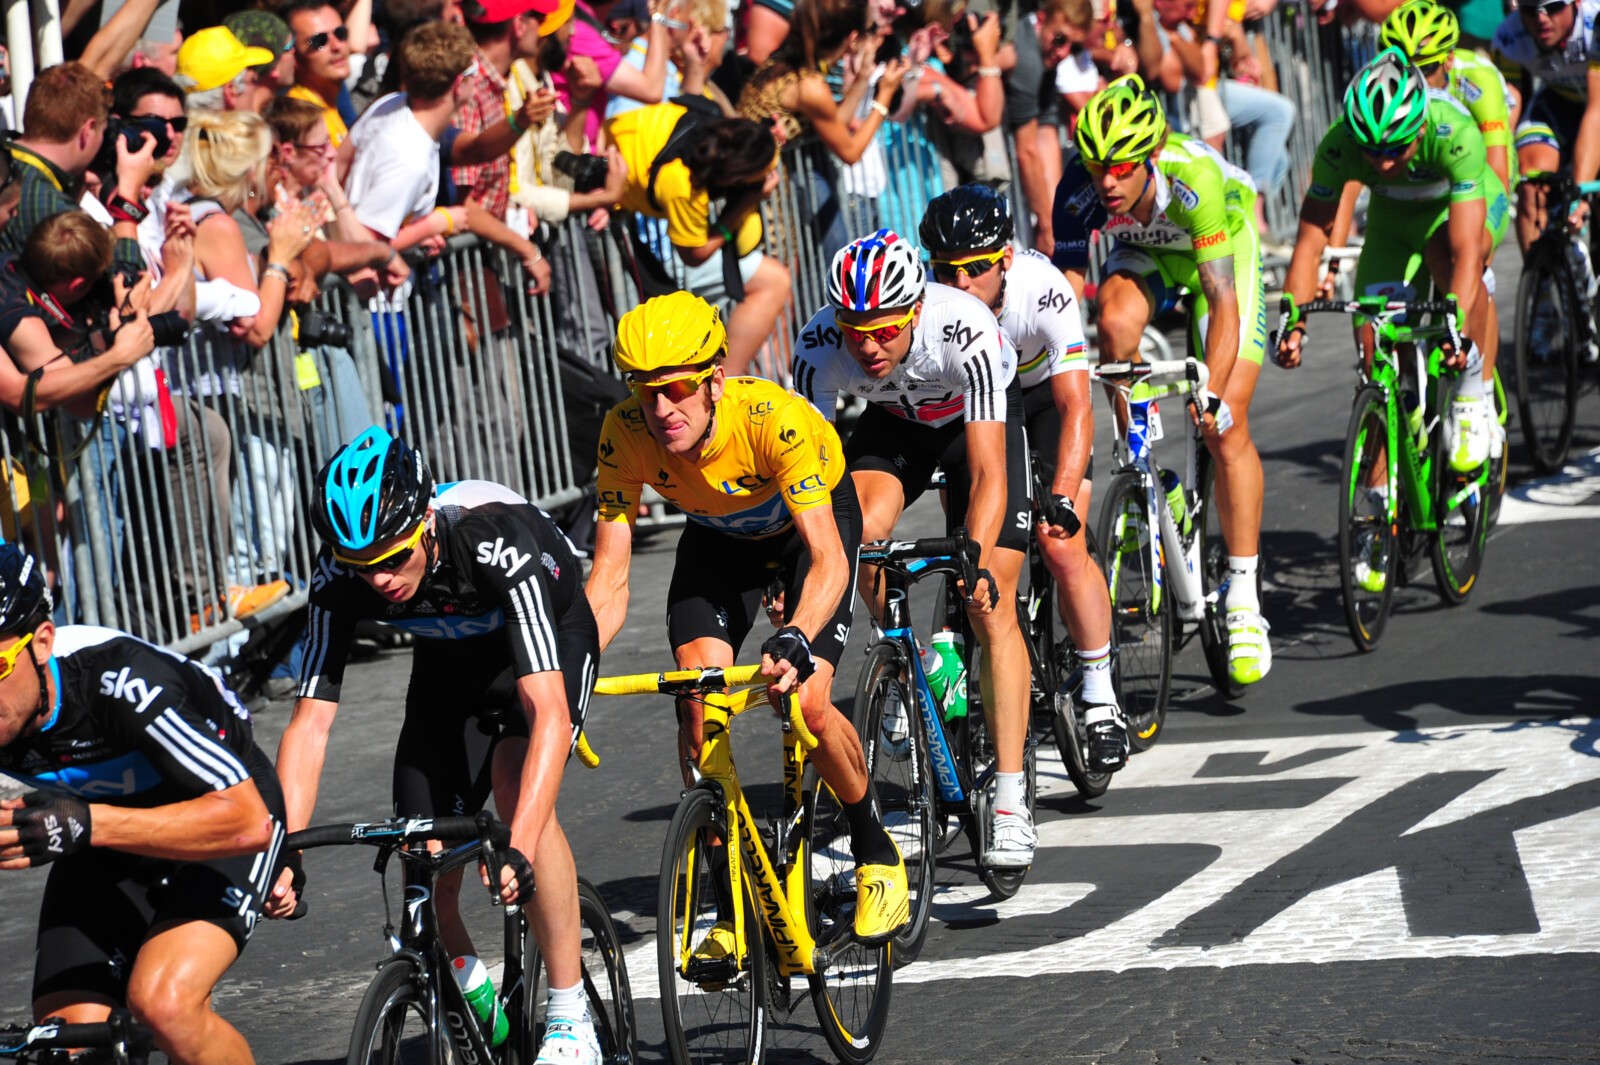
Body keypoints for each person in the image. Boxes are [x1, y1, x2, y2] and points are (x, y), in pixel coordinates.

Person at [268, 427, 605, 1065]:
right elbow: (308, 725)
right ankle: (481, 1009)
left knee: (513, 782)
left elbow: (549, 713)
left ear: (425, 522)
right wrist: (285, 849)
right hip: (448, 664)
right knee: (421, 856)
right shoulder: (339, 572)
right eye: (362, 565)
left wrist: (519, 845)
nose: (380, 579)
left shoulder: (491, 540)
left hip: (548, 637)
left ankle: (569, 1012)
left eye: (394, 558)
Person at [584, 291, 912, 941]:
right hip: (718, 543)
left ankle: (875, 849)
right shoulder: (624, 433)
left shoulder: (772, 421)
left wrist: (796, 634)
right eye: (645, 391)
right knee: (696, 702)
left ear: (714, 380)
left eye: (677, 388)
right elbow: (610, 578)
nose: (661, 408)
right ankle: (730, 905)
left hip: (808, 533)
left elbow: (829, 559)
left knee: (808, 702)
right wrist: (566, 667)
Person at [791, 230, 1039, 867]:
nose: (868, 346)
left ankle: (1010, 799)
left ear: (915, 311)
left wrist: (973, 556)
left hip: (974, 425)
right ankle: (918, 664)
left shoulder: (963, 327)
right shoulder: (819, 346)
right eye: (855, 331)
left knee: (989, 603)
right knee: (856, 536)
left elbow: (988, 474)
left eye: (883, 330)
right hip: (897, 425)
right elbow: (809, 484)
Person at [0, 543, 286, 1065]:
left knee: (164, 1004)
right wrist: (85, 826)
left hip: (221, 813)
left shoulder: (119, 680)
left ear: (41, 642)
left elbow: (246, 822)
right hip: (98, 831)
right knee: (66, 1043)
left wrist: (88, 825)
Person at [1053, 74, 1273, 688]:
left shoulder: (1191, 177)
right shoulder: (1078, 188)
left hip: (1220, 258)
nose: (1107, 182)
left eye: (1122, 168)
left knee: (1226, 425)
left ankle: (1244, 596)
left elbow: (1221, 300)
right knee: (1112, 324)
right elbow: (1063, 297)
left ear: (1150, 156)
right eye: (1098, 168)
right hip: (1148, 256)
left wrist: (1213, 391)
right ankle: (1145, 467)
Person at [918, 184, 1128, 772]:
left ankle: (1100, 695)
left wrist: (1062, 494)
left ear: (1005, 259)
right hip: (977, 407)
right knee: (969, 536)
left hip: (1039, 401)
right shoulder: (931, 305)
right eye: (945, 271)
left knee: (1060, 543)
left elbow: (1076, 407)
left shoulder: (1044, 292)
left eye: (975, 269)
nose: (959, 283)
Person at [1278, 49, 1508, 480]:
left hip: (1453, 209)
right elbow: (1309, 243)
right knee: (1373, 351)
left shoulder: (1453, 131)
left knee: (1450, 259)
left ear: (1419, 127)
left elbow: (1466, 250)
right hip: (1391, 221)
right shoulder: (1340, 143)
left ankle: (1471, 392)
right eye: (1372, 150)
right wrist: (1294, 323)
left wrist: (1456, 325)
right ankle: (1381, 496)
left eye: (1396, 148)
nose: (1383, 162)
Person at [608, 103, 790, 374]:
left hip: (639, 216)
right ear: (737, 176)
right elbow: (693, 254)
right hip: (648, 245)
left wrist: (768, 137)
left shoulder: (708, 118)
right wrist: (743, 206)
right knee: (774, 281)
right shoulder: (683, 184)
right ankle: (727, 382)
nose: (767, 178)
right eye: (761, 173)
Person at [2, 62, 149, 282]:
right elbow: (126, 288)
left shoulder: (7, 161)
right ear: (87, 130)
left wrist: (77, 182)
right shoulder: (50, 207)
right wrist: (128, 199)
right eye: (102, 130)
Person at [341, 21, 479, 253]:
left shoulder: (390, 104)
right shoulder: (410, 158)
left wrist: (412, 236)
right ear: (458, 84)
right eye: (473, 70)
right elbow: (366, 245)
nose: (477, 77)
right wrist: (435, 224)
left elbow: (340, 165)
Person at [1491, 0, 1600, 257]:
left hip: (1596, 105)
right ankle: (1538, 277)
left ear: (1576, 2)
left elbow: (1597, 110)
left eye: (1552, 7)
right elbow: (1506, 112)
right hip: (1557, 103)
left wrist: (1579, 194)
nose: (1541, 18)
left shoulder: (1594, 23)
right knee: (1532, 187)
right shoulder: (1509, 36)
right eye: (1530, 10)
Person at [284, 0, 361, 146]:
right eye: (319, 41)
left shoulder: (329, 106)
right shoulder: (299, 119)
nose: (336, 46)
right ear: (294, 56)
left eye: (340, 33)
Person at [173, 25, 278, 112]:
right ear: (231, 92)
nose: (258, 87)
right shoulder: (254, 130)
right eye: (253, 80)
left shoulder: (174, 129)